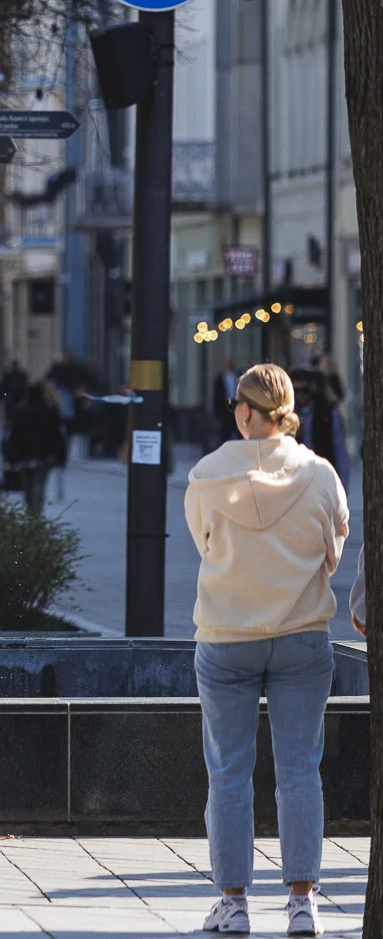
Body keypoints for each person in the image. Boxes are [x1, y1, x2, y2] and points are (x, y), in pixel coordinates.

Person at [185, 363, 347, 937]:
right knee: (300, 771)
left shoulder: (208, 473)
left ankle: (233, 904)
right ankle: (302, 902)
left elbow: (203, 541)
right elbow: (336, 542)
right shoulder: (320, 472)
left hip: (227, 636)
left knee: (229, 773)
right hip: (303, 633)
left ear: (245, 412)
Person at [2, 382, 67, 516]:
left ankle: (30, 510)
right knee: (39, 483)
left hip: (24, 455)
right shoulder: (50, 412)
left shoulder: (21, 411)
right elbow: (57, 434)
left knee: (27, 484)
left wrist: (11, 454)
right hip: (45, 455)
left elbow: (14, 434)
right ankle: (35, 512)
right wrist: (60, 454)